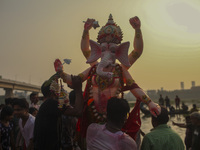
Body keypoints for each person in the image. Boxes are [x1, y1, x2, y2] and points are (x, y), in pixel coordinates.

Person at [33, 75, 83, 150]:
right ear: (53, 91)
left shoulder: (46, 105)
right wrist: (78, 89)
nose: (61, 91)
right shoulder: (51, 103)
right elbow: (78, 111)